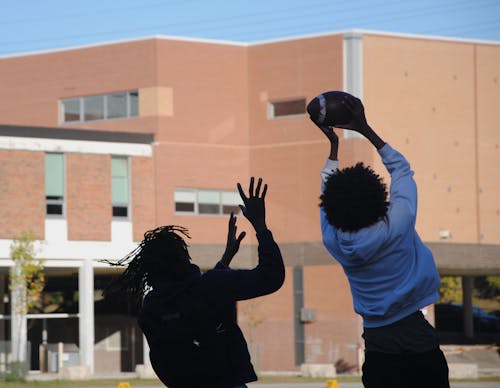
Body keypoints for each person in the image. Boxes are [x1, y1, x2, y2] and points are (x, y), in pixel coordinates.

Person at [313, 95, 450, 388]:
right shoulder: (397, 223)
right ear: (377, 196)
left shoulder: (334, 239)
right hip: (417, 338)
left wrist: (334, 148)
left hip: (376, 347)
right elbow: (401, 170)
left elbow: (327, 194)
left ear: (334, 206)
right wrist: (365, 129)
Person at [103, 177, 285, 388]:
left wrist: (224, 261)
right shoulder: (210, 287)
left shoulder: (151, 309)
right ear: (183, 259)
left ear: (149, 272)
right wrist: (260, 226)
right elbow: (271, 277)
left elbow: (190, 297)